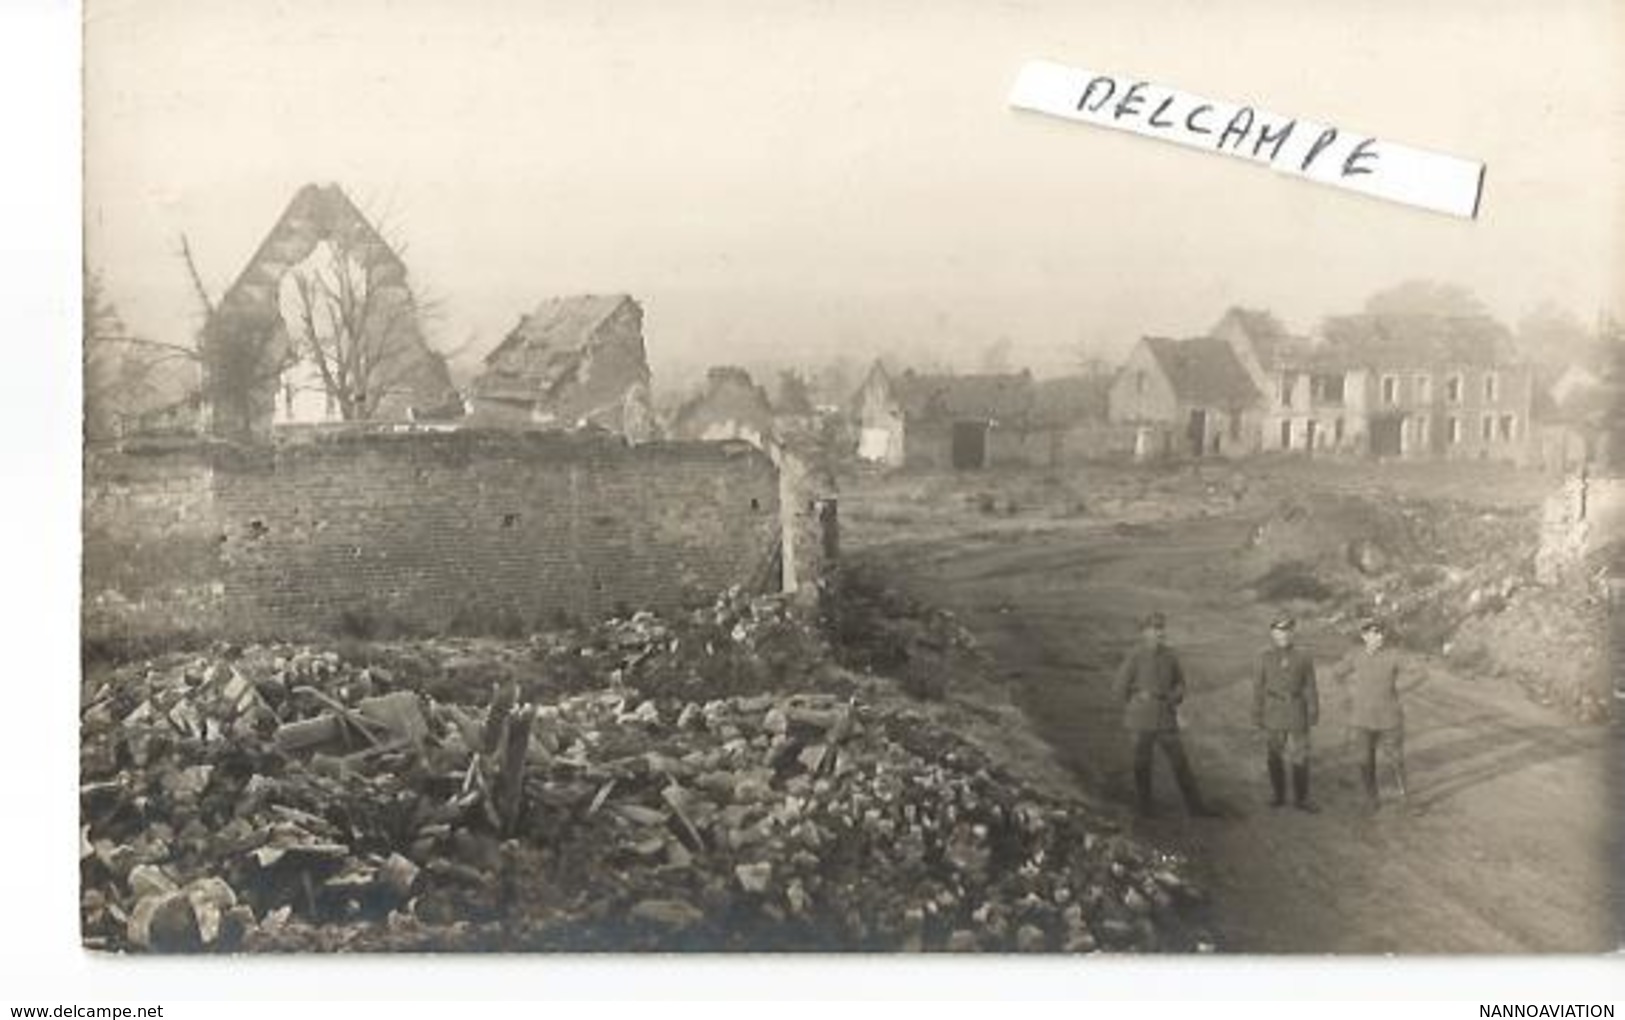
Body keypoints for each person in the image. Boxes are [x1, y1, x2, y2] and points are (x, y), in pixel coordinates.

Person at [1115, 611, 1216, 818]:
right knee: (1142, 764)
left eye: (1161, 628)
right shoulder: (1135, 655)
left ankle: (1196, 808)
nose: (1159, 632)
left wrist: (1175, 696)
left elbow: (1180, 683)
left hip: (1165, 717)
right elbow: (1120, 687)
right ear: (1144, 632)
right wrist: (1135, 705)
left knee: (1180, 762)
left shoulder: (1170, 656)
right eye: (1154, 629)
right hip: (1141, 718)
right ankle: (1146, 808)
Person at [1346, 619, 1416, 814]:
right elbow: (1337, 672)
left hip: (1389, 718)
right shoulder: (1355, 655)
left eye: (1379, 632)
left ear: (1384, 635)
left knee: (1396, 759)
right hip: (1362, 719)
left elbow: (1420, 672)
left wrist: (1399, 688)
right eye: (1370, 632)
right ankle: (1372, 799)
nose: (1376, 636)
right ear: (1363, 635)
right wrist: (1350, 692)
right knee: (1364, 760)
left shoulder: (1394, 655)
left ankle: (1406, 800)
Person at [1252, 614, 1320, 812]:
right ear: (1272, 632)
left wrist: (1313, 709)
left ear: (1293, 632)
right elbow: (1258, 687)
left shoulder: (1304, 656)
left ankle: (1302, 799)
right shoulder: (1263, 656)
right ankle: (1278, 795)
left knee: (1301, 755)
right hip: (1273, 710)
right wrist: (1257, 712)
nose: (1284, 635)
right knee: (1274, 755)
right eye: (1279, 630)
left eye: (1288, 630)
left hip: (1297, 708)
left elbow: (1310, 685)